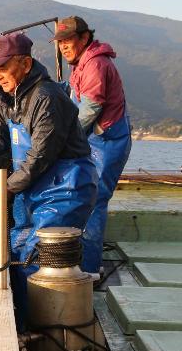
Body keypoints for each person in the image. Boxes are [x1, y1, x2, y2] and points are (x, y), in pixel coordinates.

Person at [0, 32, 97, 328]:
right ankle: (21, 322)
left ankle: (47, 328)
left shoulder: (47, 97)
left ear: (26, 64)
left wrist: (8, 186)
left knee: (39, 254)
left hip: (65, 187)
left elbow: (42, 155)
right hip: (32, 187)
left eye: (3, 68)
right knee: (18, 250)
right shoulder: (6, 95)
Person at [53, 16, 131, 276]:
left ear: (84, 38)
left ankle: (90, 269)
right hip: (95, 141)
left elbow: (89, 110)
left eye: (68, 40)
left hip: (108, 142)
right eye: (60, 42)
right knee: (85, 195)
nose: (63, 46)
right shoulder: (82, 64)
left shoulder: (95, 64)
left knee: (95, 199)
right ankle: (83, 259)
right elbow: (74, 96)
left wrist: (62, 139)